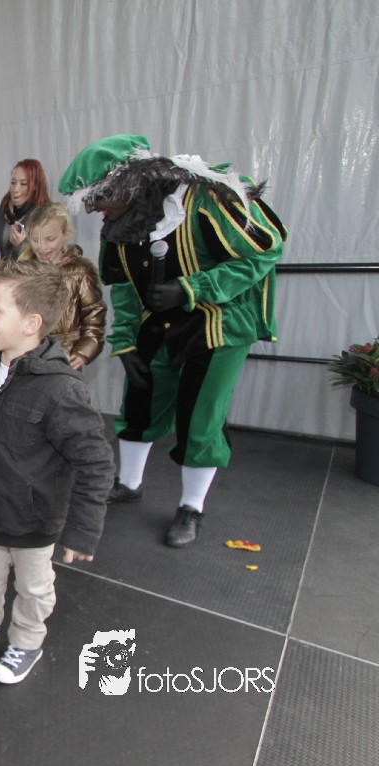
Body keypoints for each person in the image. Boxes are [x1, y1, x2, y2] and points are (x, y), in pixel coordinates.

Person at [59, 134, 287, 548]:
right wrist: (126, 342)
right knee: (140, 401)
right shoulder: (120, 227)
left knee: (200, 416)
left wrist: (191, 288)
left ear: (126, 183)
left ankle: (191, 507)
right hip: (158, 324)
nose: (92, 210)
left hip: (219, 324)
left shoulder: (207, 200)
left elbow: (263, 253)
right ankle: (129, 483)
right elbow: (124, 287)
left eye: (97, 199)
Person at [0, 258, 115, 684]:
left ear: (31, 324)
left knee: (33, 589)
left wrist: (83, 530)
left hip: (33, 520)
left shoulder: (60, 389)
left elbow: (96, 462)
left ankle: (27, 641)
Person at [17, 202, 107, 370]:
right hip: (27, 358)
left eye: (50, 239)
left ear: (65, 234)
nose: (42, 247)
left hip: (65, 360)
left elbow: (94, 316)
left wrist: (83, 352)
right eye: (35, 240)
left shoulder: (81, 270)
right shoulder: (23, 270)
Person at [0, 159, 51, 260]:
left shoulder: (46, 215)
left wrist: (22, 246)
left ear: (35, 186)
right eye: (13, 182)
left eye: (23, 184)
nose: (16, 189)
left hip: (29, 270)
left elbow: (48, 259)